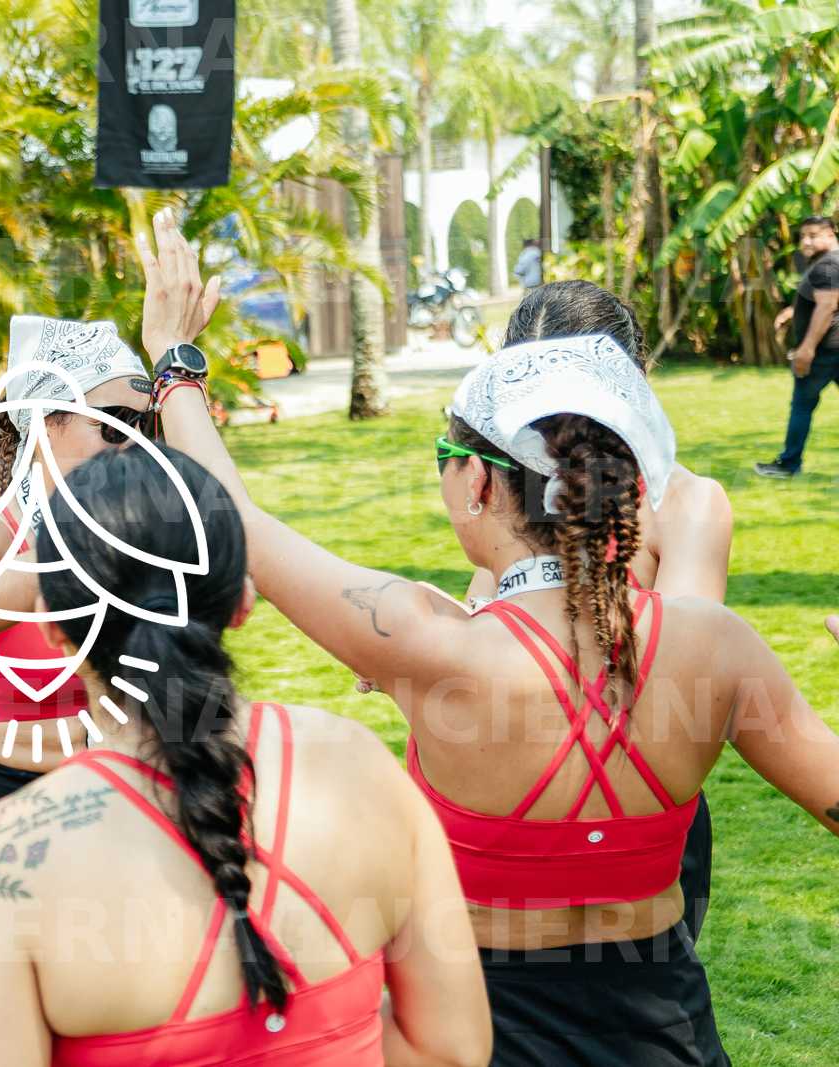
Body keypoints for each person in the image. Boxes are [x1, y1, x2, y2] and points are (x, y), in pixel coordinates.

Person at [147, 208, 839, 1064]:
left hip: (484, 1029)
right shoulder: (713, 643)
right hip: (668, 1034)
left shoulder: (424, 640)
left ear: (476, 480)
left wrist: (175, 363)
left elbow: (235, 520)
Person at [0, 445, 493, 1067]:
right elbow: (453, 1048)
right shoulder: (360, 768)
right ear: (242, 601)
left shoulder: (1, 861)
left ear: (52, 625)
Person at [465, 278, 732, 941]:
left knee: (643, 981)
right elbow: (487, 613)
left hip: (636, 793)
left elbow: (680, 668)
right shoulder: (512, 490)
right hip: (515, 785)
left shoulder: (685, 502)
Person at [0, 314, 155, 846]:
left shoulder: (143, 526)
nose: (134, 443)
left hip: (123, 795)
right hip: (9, 804)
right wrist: (74, 534)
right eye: (115, 423)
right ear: (44, 422)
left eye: (145, 424)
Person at [756, 215, 839, 478]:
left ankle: (789, 464)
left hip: (825, 351)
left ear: (830, 234)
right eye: (803, 236)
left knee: (802, 404)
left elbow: (827, 306)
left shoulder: (827, 266)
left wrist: (807, 348)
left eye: (813, 235)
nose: (806, 242)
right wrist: (793, 312)